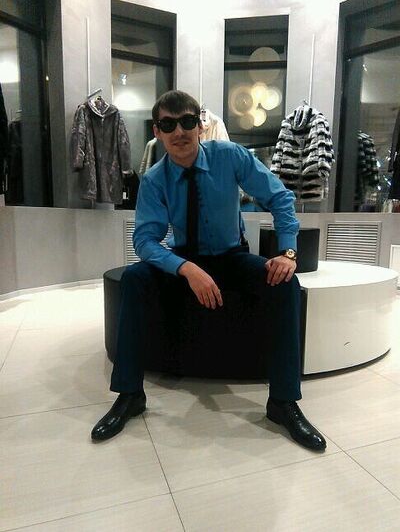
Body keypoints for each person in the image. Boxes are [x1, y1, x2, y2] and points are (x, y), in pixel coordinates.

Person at [91, 90, 326, 451]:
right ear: (157, 131)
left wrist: (288, 252)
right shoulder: (154, 179)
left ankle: (282, 402)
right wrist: (186, 268)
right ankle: (130, 394)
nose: (179, 131)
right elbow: (145, 241)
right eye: (169, 124)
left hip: (231, 257)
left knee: (285, 284)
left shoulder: (229, 156)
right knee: (135, 279)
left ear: (200, 126)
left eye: (187, 122)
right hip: (185, 259)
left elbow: (280, 197)